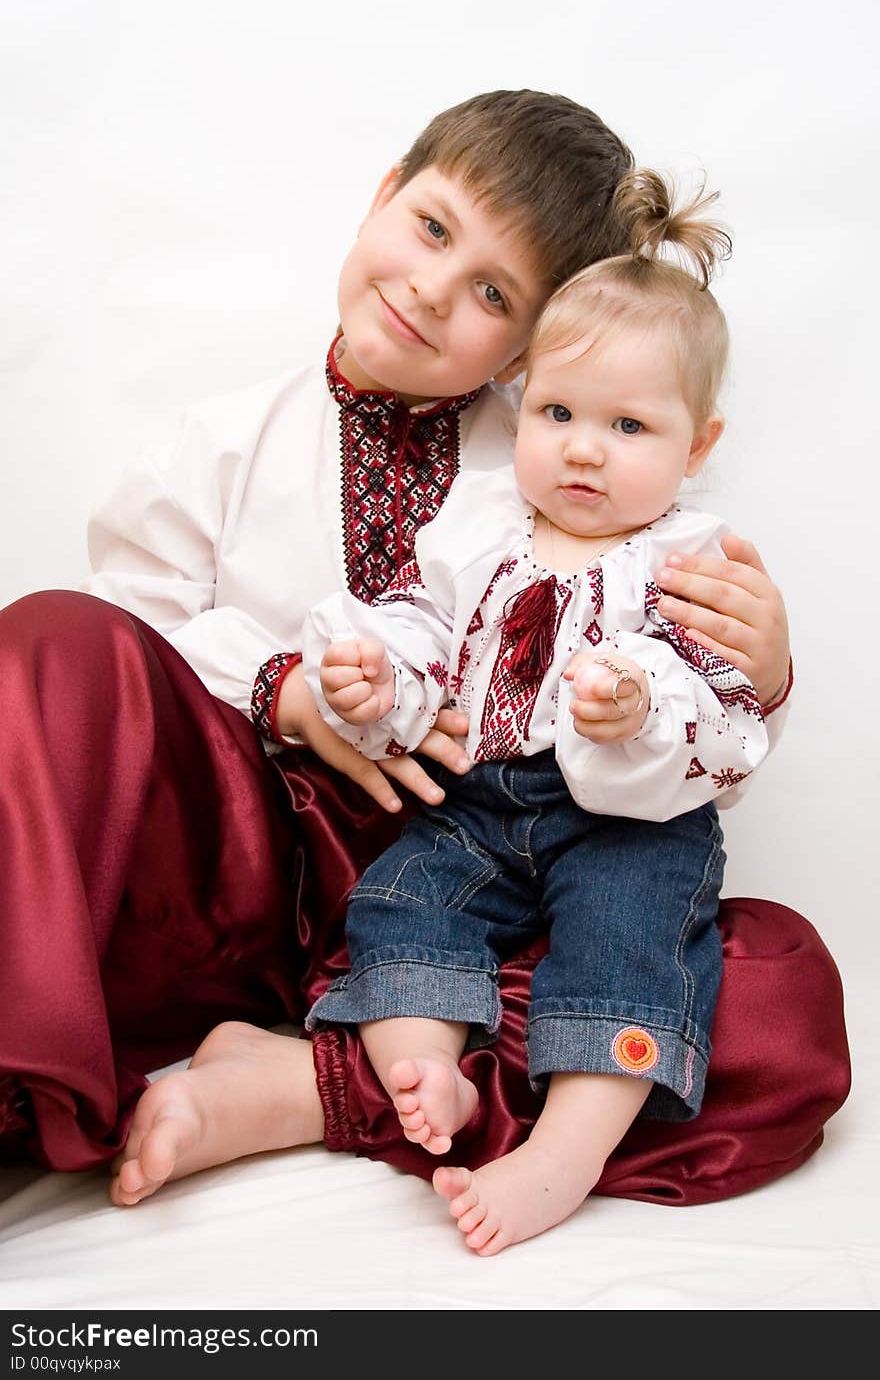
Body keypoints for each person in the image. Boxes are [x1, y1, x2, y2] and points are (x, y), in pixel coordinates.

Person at [0, 91, 848, 1208]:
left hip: (481, 894)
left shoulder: (572, 459)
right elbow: (128, 667)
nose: (432, 291)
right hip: (234, 883)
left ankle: (314, 1081)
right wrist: (281, 690)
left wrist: (765, 665)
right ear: (384, 196)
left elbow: (686, 707)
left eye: (493, 294)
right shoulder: (219, 443)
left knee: (775, 993)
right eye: (434, 230)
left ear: (532, 347)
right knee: (51, 639)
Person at [298, 171, 771, 1254]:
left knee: (630, 942)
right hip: (478, 799)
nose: (585, 448)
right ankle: (428, 1072)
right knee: (398, 899)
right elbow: (427, 624)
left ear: (696, 446)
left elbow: (729, 713)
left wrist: (642, 706)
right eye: (557, 413)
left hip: (629, 825)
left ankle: (563, 1155)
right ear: (522, 408)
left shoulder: (688, 562)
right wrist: (381, 679)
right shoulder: (480, 526)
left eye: (628, 424)